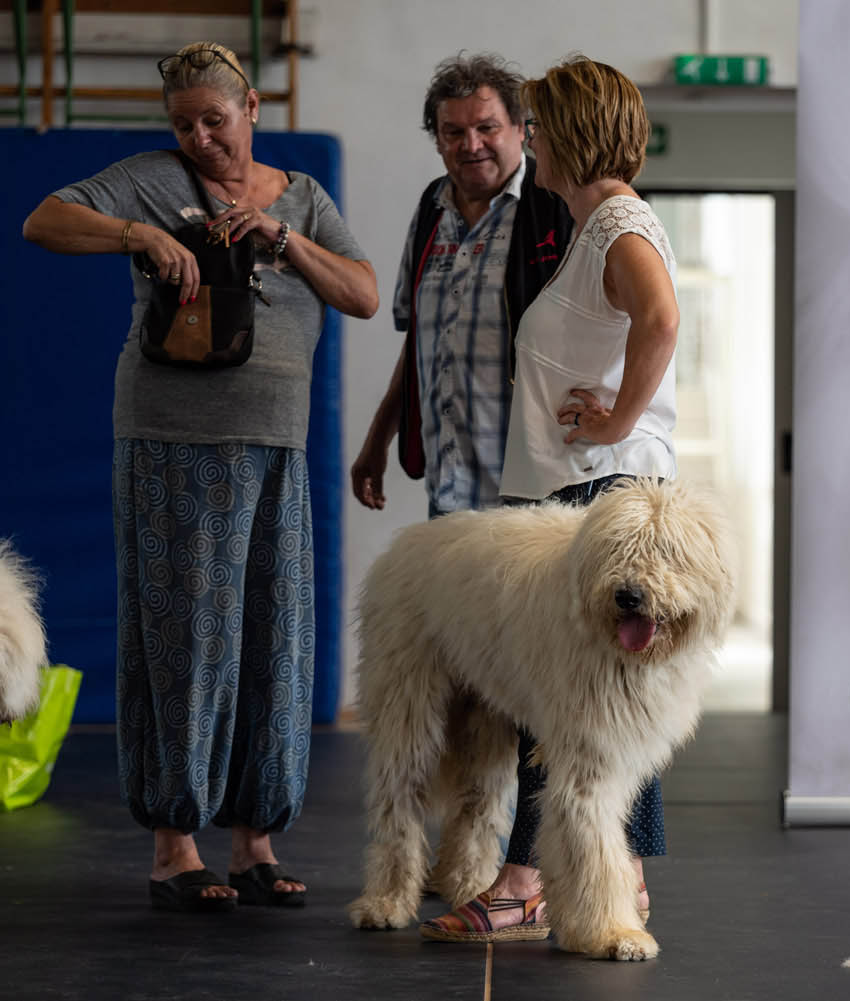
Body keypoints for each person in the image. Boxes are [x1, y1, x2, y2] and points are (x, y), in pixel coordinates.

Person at [21, 41, 378, 912]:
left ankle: (255, 838)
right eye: (184, 124)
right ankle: (174, 844)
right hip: (170, 437)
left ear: (250, 107)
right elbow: (44, 220)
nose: (199, 137)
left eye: (213, 120)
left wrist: (282, 239)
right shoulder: (149, 177)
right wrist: (138, 231)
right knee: (183, 638)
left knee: (273, 640)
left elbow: (365, 294)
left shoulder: (304, 196)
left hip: (276, 445)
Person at [420, 56, 680, 943]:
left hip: (597, 494)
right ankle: (618, 880)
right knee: (582, 708)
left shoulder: (616, 219)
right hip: (567, 492)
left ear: (564, 134)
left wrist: (617, 421)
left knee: (571, 708)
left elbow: (662, 318)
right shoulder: (589, 224)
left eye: (531, 124)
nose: (521, 138)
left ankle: (529, 879)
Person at [349, 54, 573, 517]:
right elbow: (421, 342)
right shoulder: (432, 208)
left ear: (520, 129)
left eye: (487, 127)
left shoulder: (556, 206)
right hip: (447, 488)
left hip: (534, 496)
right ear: (438, 140)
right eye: (454, 132)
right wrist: (377, 442)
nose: (471, 145)